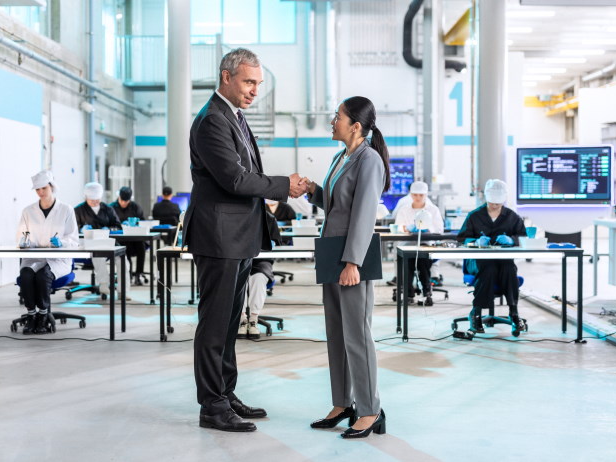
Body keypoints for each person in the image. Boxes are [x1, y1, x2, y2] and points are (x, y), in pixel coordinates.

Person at [182, 47, 307, 432]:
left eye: (258, 84)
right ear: (226, 77)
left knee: (230, 321)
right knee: (215, 323)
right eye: (248, 82)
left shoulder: (233, 117)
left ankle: (225, 392)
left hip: (237, 238)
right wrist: (285, 185)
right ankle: (211, 406)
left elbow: (245, 175)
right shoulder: (211, 122)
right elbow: (235, 180)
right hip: (219, 238)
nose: (255, 91)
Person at [304, 96, 389, 439]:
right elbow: (336, 203)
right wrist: (313, 190)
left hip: (351, 258)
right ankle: (343, 403)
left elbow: (365, 213)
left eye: (336, 117)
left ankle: (369, 410)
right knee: (337, 335)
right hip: (332, 254)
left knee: (357, 335)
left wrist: (353, 261)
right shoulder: (342, 156)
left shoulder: (368, 160)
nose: (332, 122)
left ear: (355, 126)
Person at [456, 179, 527, 335]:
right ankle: (476, 313)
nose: (495, 206)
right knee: (487, 268)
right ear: (486, 199)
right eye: (492, 203)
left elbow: (523, 237)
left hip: (502, 261)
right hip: (477, 261)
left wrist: (512, 240)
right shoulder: (474, 216)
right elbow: (462, 239)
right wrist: (475, 241)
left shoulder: (512, 217)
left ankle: (514, 313)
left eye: (498, 203)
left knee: (509, 268)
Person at [16, 170, 79, 334]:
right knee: (26, 276)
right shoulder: (28, 211)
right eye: (37, 190)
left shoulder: (66, 209)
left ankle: (43, 317)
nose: (41, 192)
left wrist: (62, 243)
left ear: (52, 186)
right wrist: (24, 242)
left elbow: (73, 239)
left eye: (44, 188)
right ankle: (31, 316)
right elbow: (22, 234)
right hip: (34, 257)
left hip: (58, 258)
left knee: (43, 276)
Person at [74, 182, 128, 298]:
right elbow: (72, 230)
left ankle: (123, 290)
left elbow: (118, 226)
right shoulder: (78, 210)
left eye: (97, 200)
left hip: (108, 242)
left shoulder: (108, 209)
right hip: (89, 245)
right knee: (98, 255)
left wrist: (108, 229)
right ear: (86, 197)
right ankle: (104, 284)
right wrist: (81, 230)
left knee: (122, 259)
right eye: (92, 200)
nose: (95, 202)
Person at [394, 181, 444, 306]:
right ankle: (408, 292)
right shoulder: (404, 210)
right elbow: (398, 226)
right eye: (415, 195)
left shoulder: (433, 210)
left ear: (426, 195)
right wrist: (406, 228)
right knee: (408, 261)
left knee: (422, 262)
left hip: (426, 245)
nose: (418, 198)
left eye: (421, 195)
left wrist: (428, 229)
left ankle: (426, 292)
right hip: (407, 245)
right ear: (411, 195)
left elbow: (439, 229)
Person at [238, 211, 282, 340]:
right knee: (239, 280)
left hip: (261, 261)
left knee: (258, 278)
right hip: (239, 259)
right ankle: (242, 319)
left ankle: (253, 318)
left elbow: (276, 244)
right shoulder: (237, 215)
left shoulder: (269, 219)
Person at [110, 186, 146, 286]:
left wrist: (134, 223)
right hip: (120, 239)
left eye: (126, 201)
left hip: (135, 238)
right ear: (119, 197)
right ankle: (127, 275)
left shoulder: (135, 207)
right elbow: (109, 223)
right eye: (122, 200)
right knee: (124, 250)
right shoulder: (111, 207)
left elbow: (142, 221)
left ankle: (138, 274)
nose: (124, 203)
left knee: (141, 247)